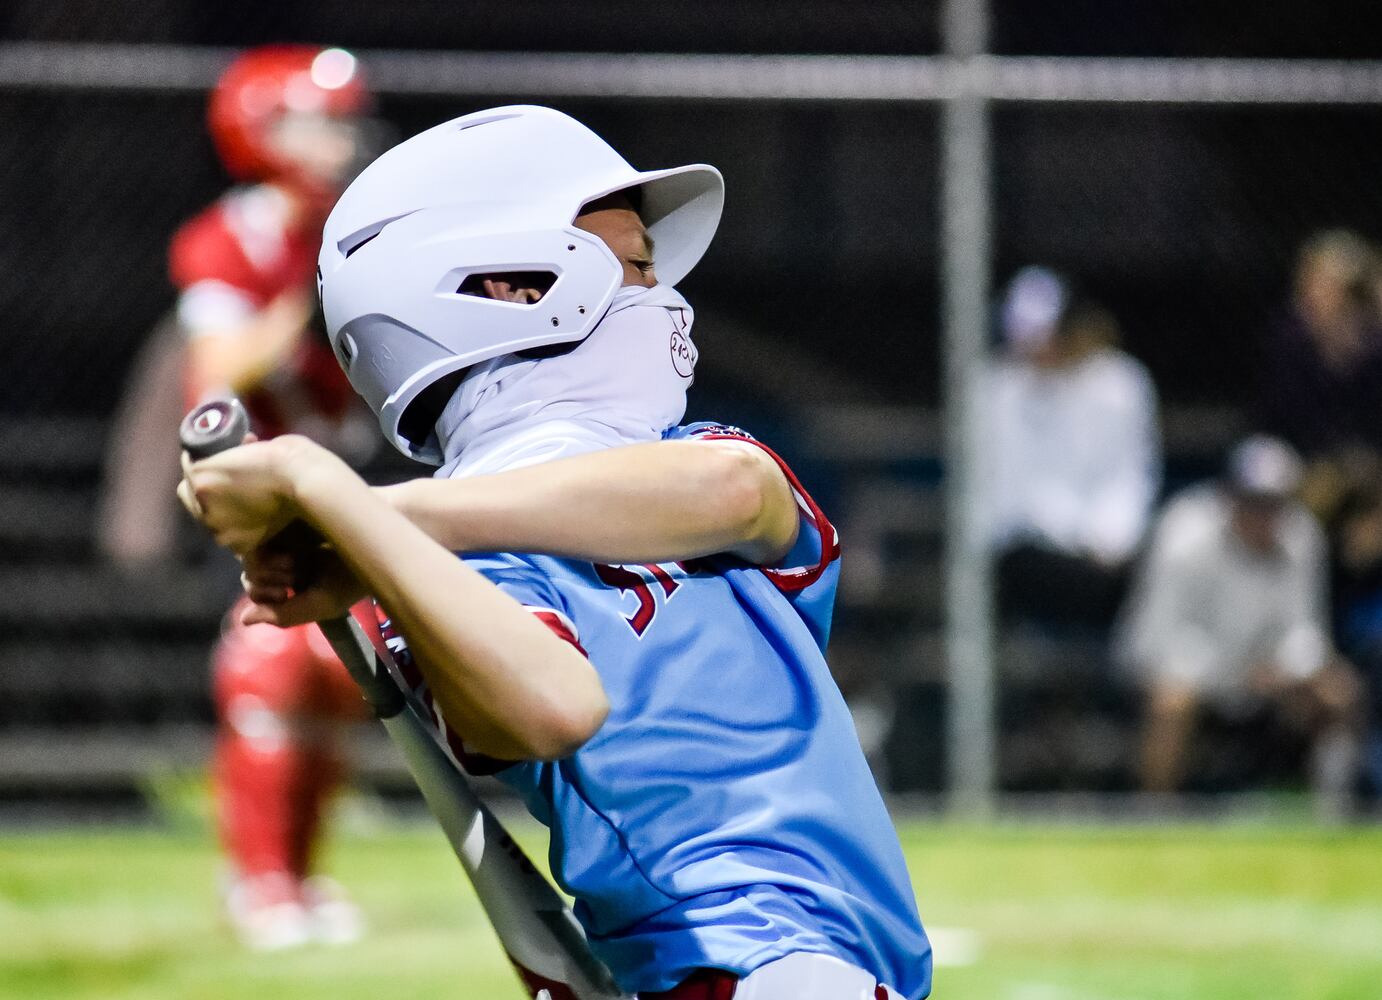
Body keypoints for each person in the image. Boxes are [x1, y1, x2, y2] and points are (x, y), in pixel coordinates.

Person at [181, 105, 931, 999]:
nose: (669, 300)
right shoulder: (443, 573)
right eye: (638, 267)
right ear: (508, 286)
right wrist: (370, 525)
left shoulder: (693, 462)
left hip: (827, 959)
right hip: (734, 957)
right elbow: (547, 710)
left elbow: (738, 495)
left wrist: (364, 508)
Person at [153, 45, 381, 950]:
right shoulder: (234, 237)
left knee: (340, 675)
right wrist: (303, 300)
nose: (336, 136)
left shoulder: (347, 224)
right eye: (311, 119)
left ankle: (302, 874)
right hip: (246, 477)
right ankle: (259, 884)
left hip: (341, 477)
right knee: (270, 667)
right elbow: (219, 371)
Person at [1117, 436, 1363, 815]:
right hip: (1186, 671)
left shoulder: (1301, 536)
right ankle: (1155, 817)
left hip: (1267, 676)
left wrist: (1288, 668)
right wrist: (1232, 672)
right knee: (1172, 702)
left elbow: (1306, 630)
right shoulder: (1183, 534)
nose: (1263, 516)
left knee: (1338, 693)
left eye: (1274, 504)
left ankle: (1331, 816)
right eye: (1253, 503)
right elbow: (1155, 638)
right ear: (1228, 496)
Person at [985, 266, 1161, 627]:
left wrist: (1111, 540)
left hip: (1099, 555)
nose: (1032, 351)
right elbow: (997, 491)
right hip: (1024, 552)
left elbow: (1130, 475)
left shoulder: (1120, 385)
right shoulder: (995, 390)